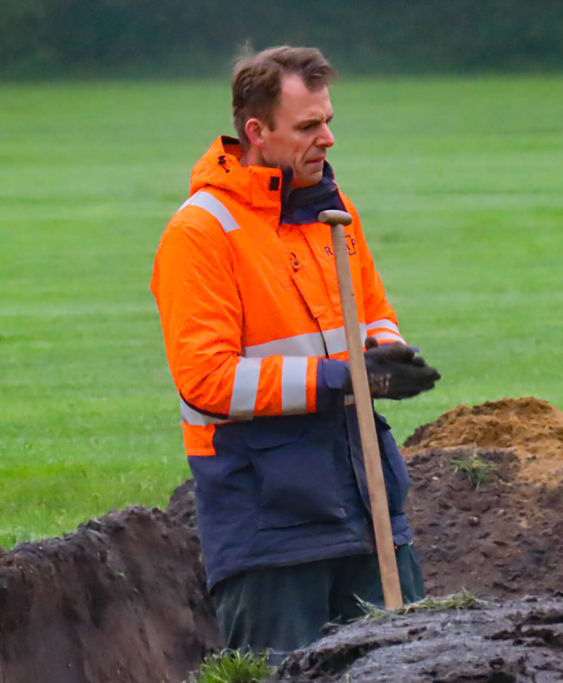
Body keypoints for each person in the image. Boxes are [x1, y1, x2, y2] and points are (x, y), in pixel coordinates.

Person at [150, 46, 441, 659]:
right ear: (257, 132)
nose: (328, 138)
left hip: (368, 507)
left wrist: (387, 357)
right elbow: (208, 381)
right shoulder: (200, 233)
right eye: (309, 126)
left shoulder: (333, 213)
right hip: (268, 524)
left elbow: (373, 312)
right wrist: (341, 377)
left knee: (414, 666)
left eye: (328, 120)